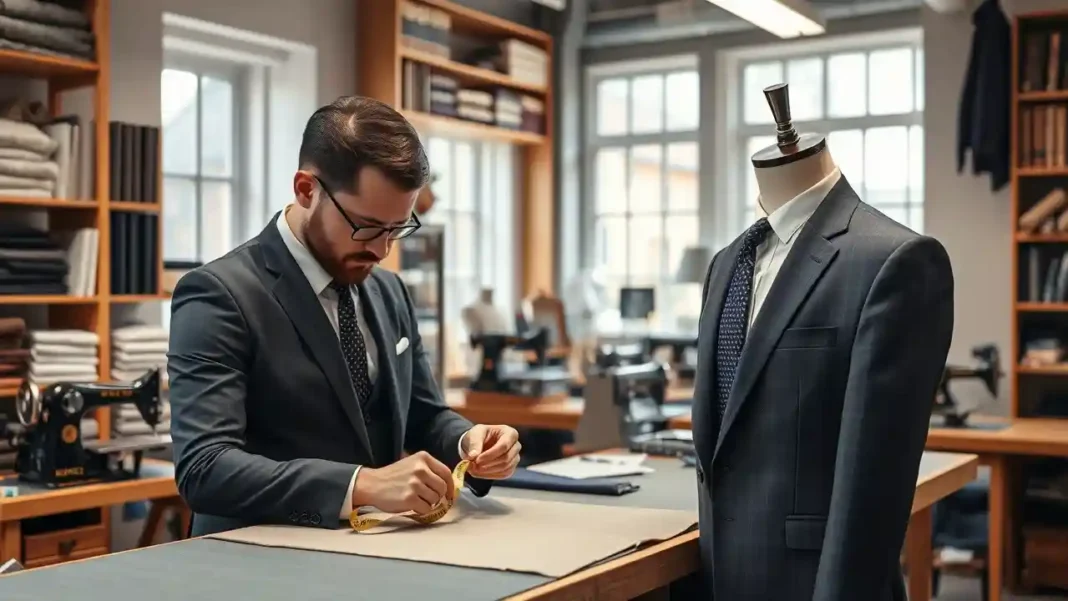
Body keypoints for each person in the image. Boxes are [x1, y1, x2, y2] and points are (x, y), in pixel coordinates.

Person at [167, 96, 521, 536]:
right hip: (255, 567)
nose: (381, 249)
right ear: (305, 190)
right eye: (367, 226)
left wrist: (469, 442)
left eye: (397, 228)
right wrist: (362, 485)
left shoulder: (389, 290)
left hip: (378, 553)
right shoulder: (218, 294)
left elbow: (423, 415)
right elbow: (205, 468)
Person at [691, 101, 954, 599]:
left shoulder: (894, 260)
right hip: (719, 577)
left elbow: (873, 484)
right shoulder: (726, 265)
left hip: (813, 585)